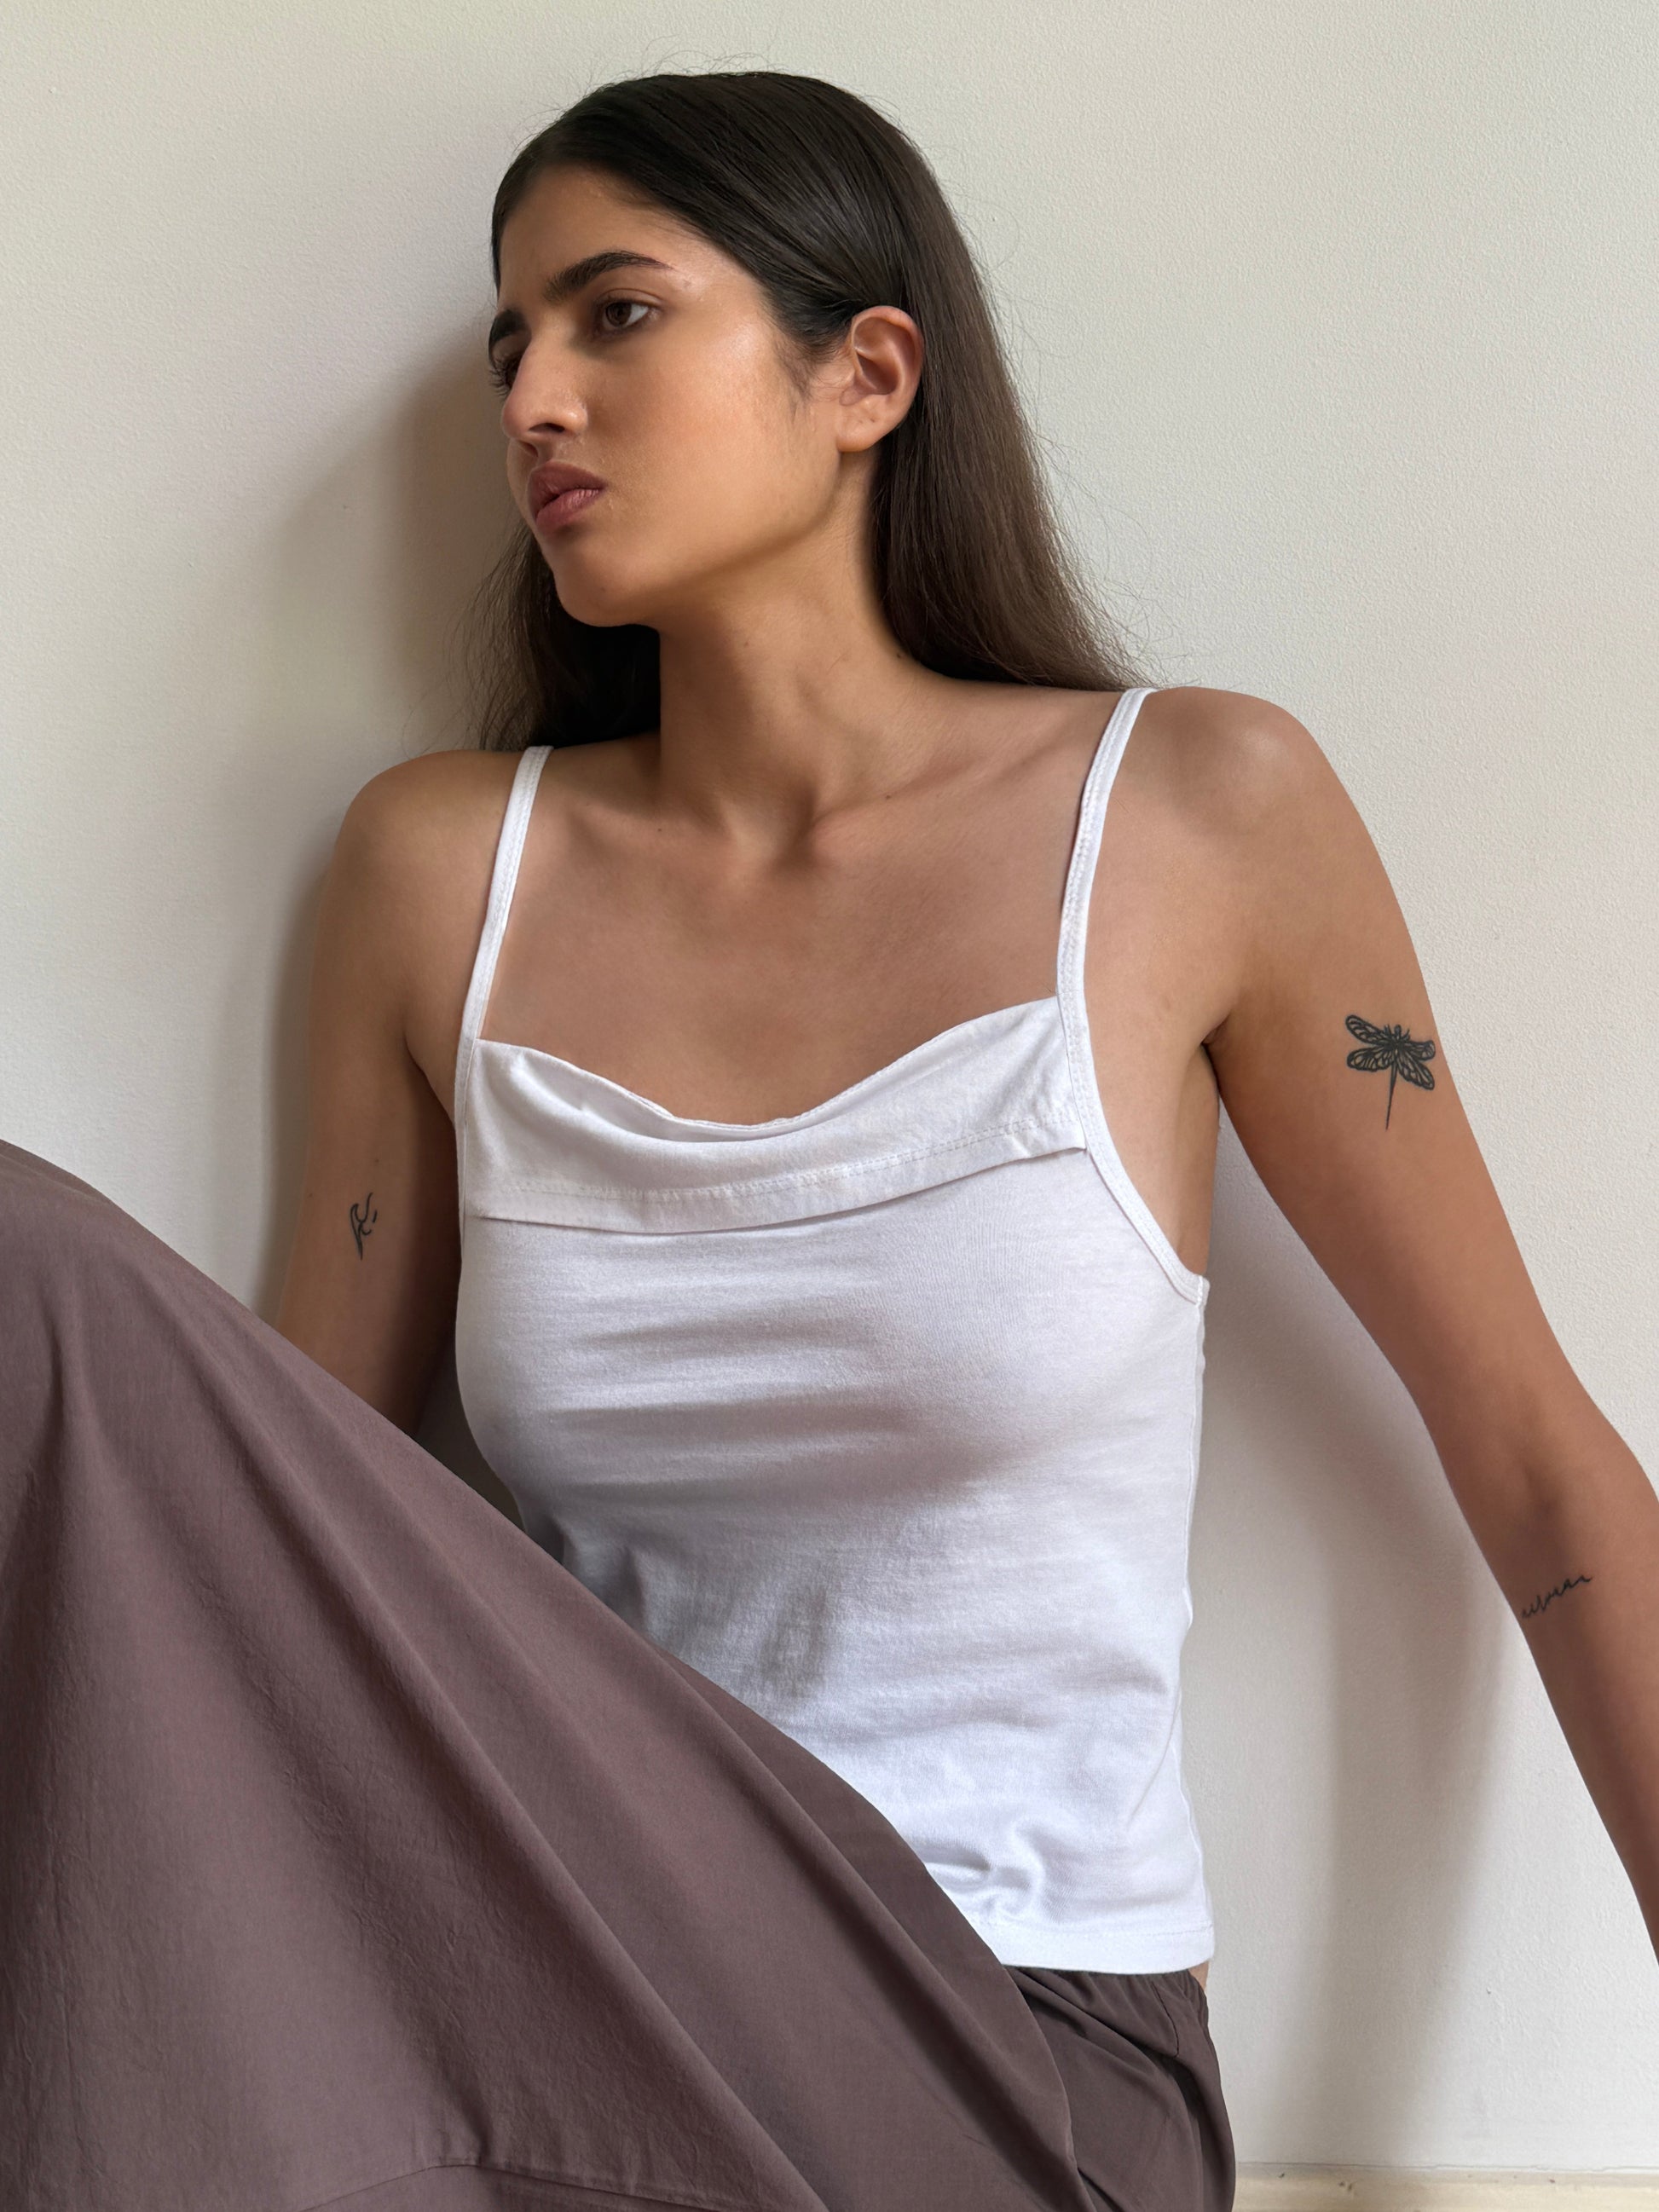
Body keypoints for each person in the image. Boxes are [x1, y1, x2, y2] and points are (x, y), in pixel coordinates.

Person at [5, 66, 1656, 2212]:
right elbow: (280, 1518)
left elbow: (1533, 1462)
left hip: (1003, 2032)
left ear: (866, 371)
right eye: (512, 344)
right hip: (551, 1966)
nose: (534, 403)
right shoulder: (440, 869)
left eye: (614, 317)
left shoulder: (1189, 818)